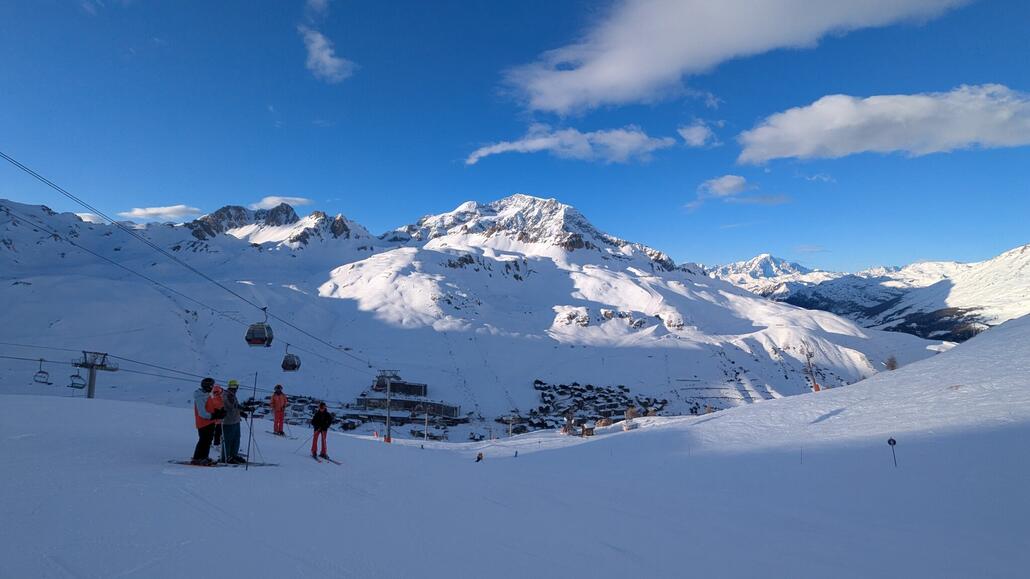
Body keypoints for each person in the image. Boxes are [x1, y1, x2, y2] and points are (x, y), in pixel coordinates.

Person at [191, 378, 225, 466]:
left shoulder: (206, 395)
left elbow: (210, 407)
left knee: (208, 440)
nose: (212, 387)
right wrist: (214, 415)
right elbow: (202, 412)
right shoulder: (200, 396)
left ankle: (204, 457)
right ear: (207, 386)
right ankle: (197, 458)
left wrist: (218, 412)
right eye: (211, 386)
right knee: (204, 440)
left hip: (209, 422)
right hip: (203, 422)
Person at [220, 380, 248, 464]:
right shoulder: (226, 395)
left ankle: (233, 455)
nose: (236, 389)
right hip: (228, 422)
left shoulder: (232, 395)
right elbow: (231, 406)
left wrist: (241, 413)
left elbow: (235, 406)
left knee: (236, 439)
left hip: (235, 420)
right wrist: (242, 408)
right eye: (235, 387)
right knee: (228, 440)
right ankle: (226, 457)